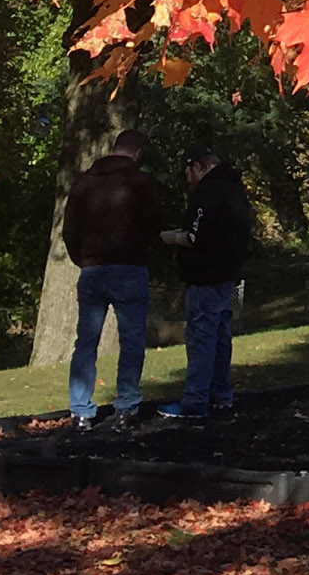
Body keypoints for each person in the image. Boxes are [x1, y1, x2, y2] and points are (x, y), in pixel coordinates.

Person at [60, 129, 162, 431]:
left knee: (86, 342)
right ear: (138, 153)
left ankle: (80, 410)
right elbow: (155, 223)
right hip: (129, 267)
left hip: (92, 269)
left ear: (112, 148)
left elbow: (69, 230)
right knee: (131, 341)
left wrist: (85, 260)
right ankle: (127, 406)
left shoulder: (84, 183)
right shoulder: (142, 183)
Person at [156, 145, 251, 419]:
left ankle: (195, 400)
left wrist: (172, 237)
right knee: (221, 336)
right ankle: (221, 395)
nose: (188, 180)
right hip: (227, 274)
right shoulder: (235, 190)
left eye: (188, 172)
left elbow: (197, 236)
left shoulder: (208, 193)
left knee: (201, 338)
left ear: (198, 166)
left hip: (205, 277)